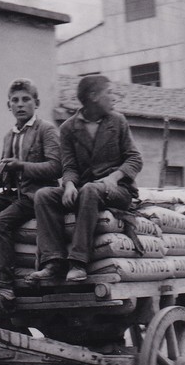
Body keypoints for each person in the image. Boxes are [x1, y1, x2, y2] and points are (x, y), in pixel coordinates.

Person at [28, 74, 143, 284]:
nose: (114, 97)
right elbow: (69, 166)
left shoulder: (117, 122)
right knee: (44, 195)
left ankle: (78, 263)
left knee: (90, 189)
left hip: (118, 191)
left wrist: (114, 177)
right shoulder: (68, 129)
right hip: (85, 190)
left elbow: (135, 159)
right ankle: (53, 262)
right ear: (93, 96)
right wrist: (70, 184)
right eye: (109, 92)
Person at [0, 78, 61, 311]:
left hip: (38, 195)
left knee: (1, 223)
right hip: (13, 194)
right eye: (15, 101)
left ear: (36, 103)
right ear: (9, 106)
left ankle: (4, 288)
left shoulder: (46, 130)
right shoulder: (9, 135)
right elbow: (4, 175)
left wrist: (21, 166)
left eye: (26, 99)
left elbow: (57, 167)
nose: (20, 104)